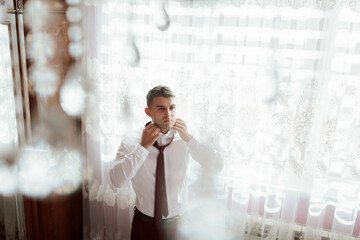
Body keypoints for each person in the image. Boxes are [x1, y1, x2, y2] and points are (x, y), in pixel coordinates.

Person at [109, 85, 223, 240]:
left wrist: (190, 139)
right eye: (161, 108)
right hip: (144, 224)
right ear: (148, 112)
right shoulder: (132, 140)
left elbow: (216, 166)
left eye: (172, 107)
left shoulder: (186, 138)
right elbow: (116, 181)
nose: (168, 114)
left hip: (179, 225)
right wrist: (142, 147)